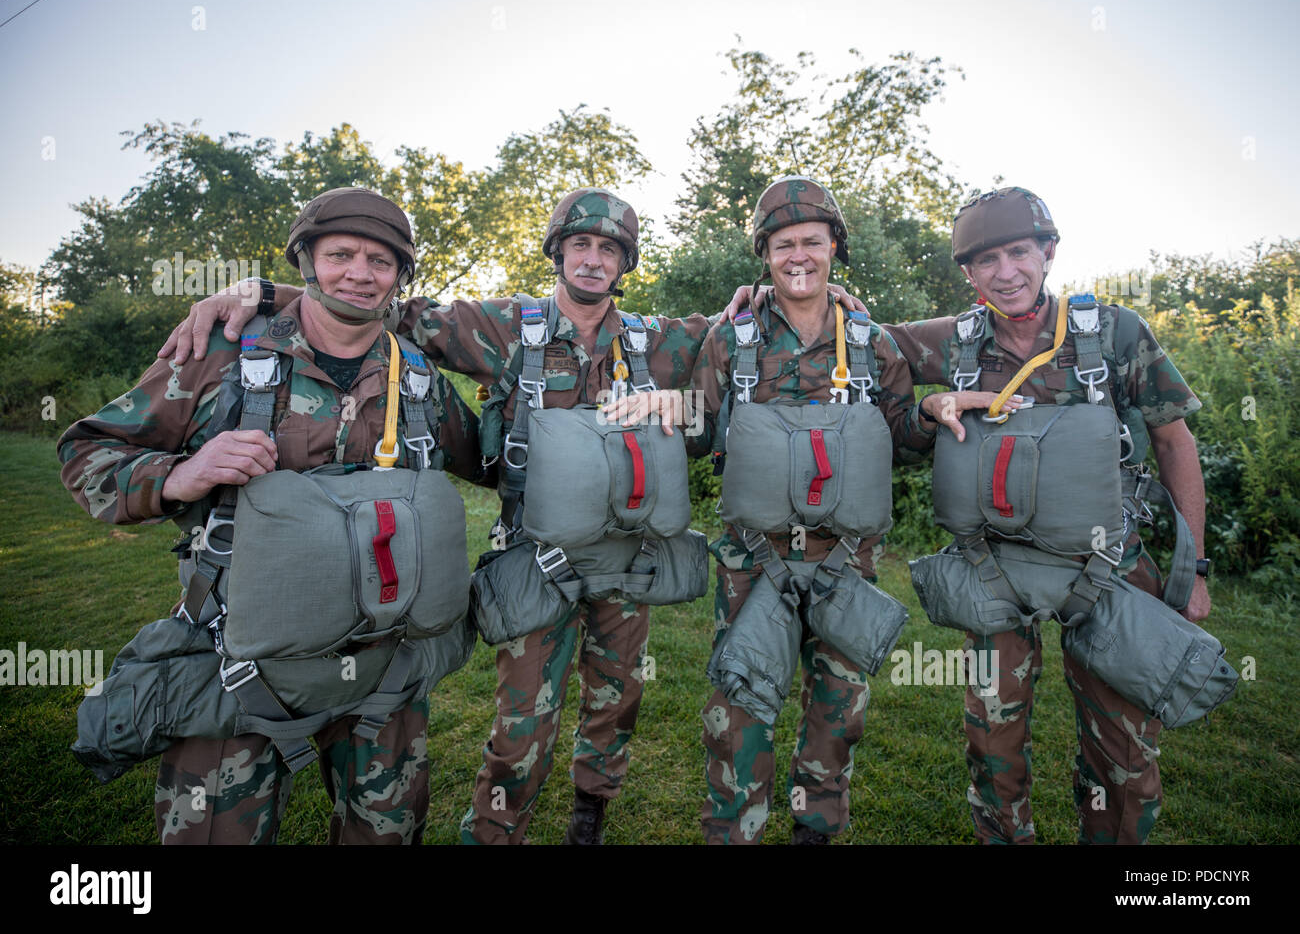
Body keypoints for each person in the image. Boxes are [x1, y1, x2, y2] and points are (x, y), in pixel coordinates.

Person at [160, 188, 717, 845]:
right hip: (538, 561)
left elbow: (743, 334)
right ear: (558, 251)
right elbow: (380, 307)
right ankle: (495, 831)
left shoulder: (660, 342)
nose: (594, 260)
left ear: (625, 264)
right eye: (582, 245)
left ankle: (591, 807)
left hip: (627, 558)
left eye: (610, 250)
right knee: (524, 715)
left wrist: (780, 299)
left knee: (618, 699)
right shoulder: (507, 327)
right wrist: (259, 296)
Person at [59, 187, 488, 844]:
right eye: (341, 253)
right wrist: (178, 475)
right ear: (307, 259)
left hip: (383, 668)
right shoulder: (222, 353)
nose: (360, 273)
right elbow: (86, 449)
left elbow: (495, 462)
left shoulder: (419, 377)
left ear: (401, 276)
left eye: (381, 261)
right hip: (239, 667)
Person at [616, 177, 944, 843]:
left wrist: (933, 415)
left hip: (846, 558)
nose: (799, 256)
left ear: (834, 250)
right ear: (765, 255)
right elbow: (703, 429)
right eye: (784, 244)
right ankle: (732, 830)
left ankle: (815, 829)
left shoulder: (873, 344)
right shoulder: (731, 340)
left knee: (837, 708)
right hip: (751, 562)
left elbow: (901, 444)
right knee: (740, 705)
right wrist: (665, 407)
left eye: (813, 243)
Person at [887, 186, 1212, 843]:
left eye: (1017, 253)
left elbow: (1175, 441)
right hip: (998, 568)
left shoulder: (1113, 332)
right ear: (968, 274)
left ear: (1049, 253)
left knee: (1123, 753)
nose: (1005, 272)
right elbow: (854, 337)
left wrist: (1194, 568)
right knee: (993, 740)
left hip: (1109, 565)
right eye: (985, 261)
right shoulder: (954, 340)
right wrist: (776, 295)